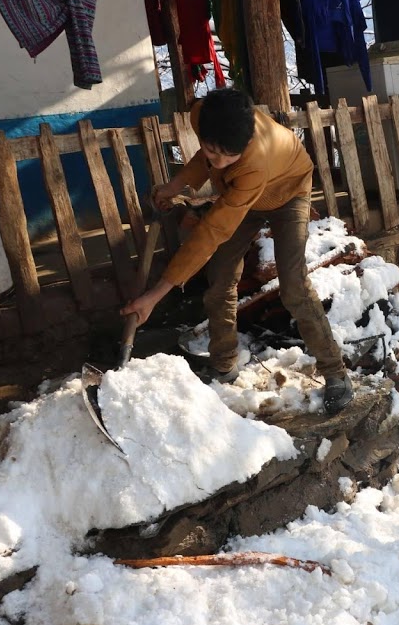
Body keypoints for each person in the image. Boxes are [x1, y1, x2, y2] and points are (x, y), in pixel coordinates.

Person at [121, 88, 354, 415]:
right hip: (244, 194)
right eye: (209, 148)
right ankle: (224, 362)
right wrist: (173, 187)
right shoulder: (204, 112)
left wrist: (155, 294)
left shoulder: (254, 165)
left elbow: (212, 232)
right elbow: (205, 158)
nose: (213, 159)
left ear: (243, 147)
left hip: (288, 193)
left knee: (294, 285)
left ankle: (335, 371)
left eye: (223, 156)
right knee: (220, 279)